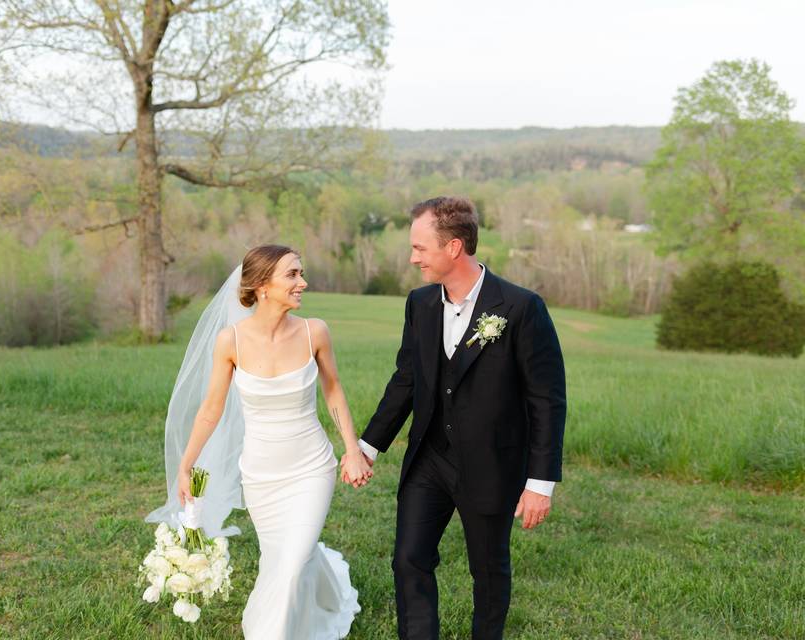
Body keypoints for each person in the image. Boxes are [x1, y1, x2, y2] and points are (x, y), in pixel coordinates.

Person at [348, 196, 567, 640]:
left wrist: (540, 483)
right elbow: (406, 379)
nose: (412, 259)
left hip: (491, 465)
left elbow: (547, 400)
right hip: (429, 457)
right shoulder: (420, 303)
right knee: (409, 558)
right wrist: (367, 446)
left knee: (487, 572)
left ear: (453, 248)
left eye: (419, 248)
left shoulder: (521, 308)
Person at [153, 244, 373, 639]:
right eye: (292, 275)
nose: (302, 282)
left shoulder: (314, 331)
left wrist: (352, 449)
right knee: (280, 560)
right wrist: (186, 466)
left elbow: (334, 392)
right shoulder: (230, 341)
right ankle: (312, 603)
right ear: (262, 285)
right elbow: (210, 410)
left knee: (291, 562)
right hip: (260, 475)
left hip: (311, 468)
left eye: (301, 273)